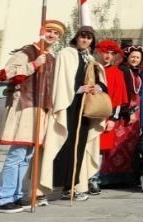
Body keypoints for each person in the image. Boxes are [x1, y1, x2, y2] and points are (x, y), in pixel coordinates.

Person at [0, 19, 63, 213]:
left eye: (56, 33)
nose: (52, 35)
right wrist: (34, 64)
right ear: (43, 32)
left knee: (26, 156)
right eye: (49, 31)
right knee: (17, 154)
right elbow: (5, 74)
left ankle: (16, 195)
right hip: (24, 107)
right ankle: (3, 197)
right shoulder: (28, 52)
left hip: (40, 109)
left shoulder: (52, 57)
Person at [40, 26, 105, 201]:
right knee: (61, 145)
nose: (85, 40)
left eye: (89, 38)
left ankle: (71, 187)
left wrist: (97, 87)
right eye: (83, 37)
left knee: (79, 147)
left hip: (84, 110)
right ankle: (43, 189)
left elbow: (101, 82)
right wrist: (78, 89)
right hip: (67, 106)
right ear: (76, 38)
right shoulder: (66, 54)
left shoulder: (91, 59)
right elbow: (60, 81)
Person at [100, 44, 143, 186]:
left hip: (136, 110)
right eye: (133, 57)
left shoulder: (136, 72)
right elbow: (121, 93)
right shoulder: (123, 70)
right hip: (125, 111)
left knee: (130, 145)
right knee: (117, 144)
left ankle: (126, 175)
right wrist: (128, 112)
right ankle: (111, 176)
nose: (135, 59)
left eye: (138, 57)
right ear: (127, 57)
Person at [93, 40, 129, 195]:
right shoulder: (92, 70)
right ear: (100, 52)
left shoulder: (117, 73)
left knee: (100, 150)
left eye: (111, 53)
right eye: (105, 52)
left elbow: (119, 99)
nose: (108, 56)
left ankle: (94, 179)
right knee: (87, 147)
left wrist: (113, 119)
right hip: (89, 115)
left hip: (106, 116)